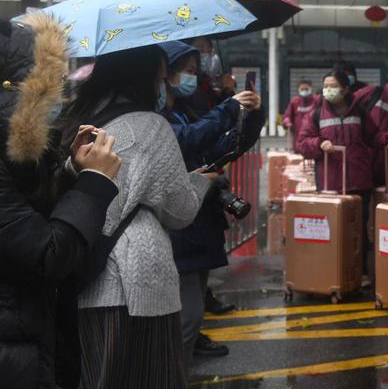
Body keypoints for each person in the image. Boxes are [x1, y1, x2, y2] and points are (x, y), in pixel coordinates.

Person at [69, 45, 212, 389]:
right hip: (138, 284)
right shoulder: (150, 126)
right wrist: (201, 182)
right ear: (142, 77)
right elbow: (181, 210)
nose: (163, 87)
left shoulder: (80, 121)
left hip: (83, 276)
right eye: (161, 78)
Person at [0, 14, 123, 389]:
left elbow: (25, 214)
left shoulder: (21, 157)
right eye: (49, 85)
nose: (60, 96)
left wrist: (69, 171)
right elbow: (46, 254)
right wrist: (95, 183)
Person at [157, 42, 265, 366]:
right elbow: (188, 139)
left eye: (195, 71)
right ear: (165, 75)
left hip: (198, 222)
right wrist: (228, 107)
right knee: (186, 319)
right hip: (180, 225)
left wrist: (251, 115)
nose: (193, 77)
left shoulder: (186, 109)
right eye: (187, 71)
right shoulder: (157, 117)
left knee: (191, 313)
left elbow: (222, 146)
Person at [295, 70, 379, 273]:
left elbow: (374, 136)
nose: (329, 90)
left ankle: (358, 273)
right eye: (326, 86)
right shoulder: (316, 114)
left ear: (345, 89)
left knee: (357, 229)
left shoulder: (359, 112)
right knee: (332, 230)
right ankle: (332, 273)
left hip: (359, 181)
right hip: (330, 183)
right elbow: (302, 143)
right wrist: (319, 143)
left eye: (333, 86)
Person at [282, 79, 318, 152]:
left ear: (311, 88)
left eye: (306, 89)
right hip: (298, 138)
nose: (304, 91)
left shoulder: (316, 100)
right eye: (302, 89)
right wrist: (287, 122)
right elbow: (287, 115)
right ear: (298, 89)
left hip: (313, 137)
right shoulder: (295, 102)